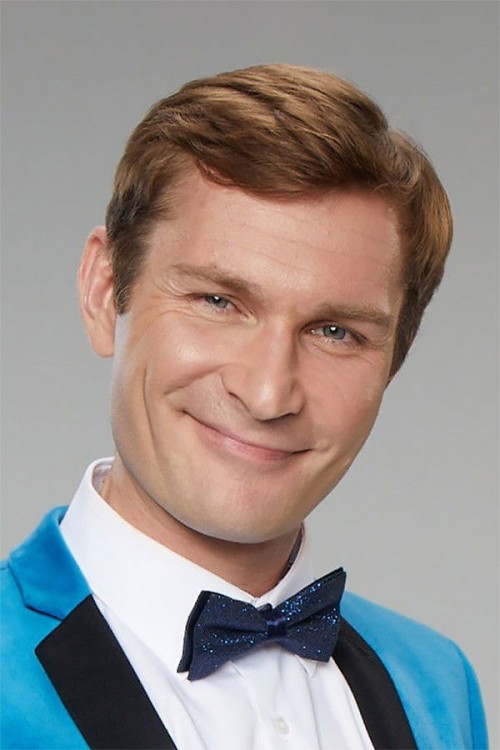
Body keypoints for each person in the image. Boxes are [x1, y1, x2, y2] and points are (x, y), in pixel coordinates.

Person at [1, 64, 488, 750]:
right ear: (104, 290)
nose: (266, 395)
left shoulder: (438, 683)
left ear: (392, 361)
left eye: (334, 331)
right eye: (218, 301)